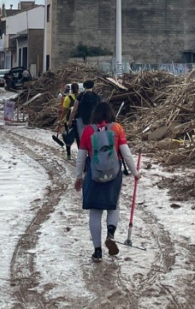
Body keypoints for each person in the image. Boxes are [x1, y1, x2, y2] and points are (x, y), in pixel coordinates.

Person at [74, 102, 141, 262]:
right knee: (113, 206)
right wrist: (135, 173)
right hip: (114, 173)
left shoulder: (88, 130)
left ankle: (97, 251)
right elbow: (126, 154)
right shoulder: (117, 128)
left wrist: (78, 177)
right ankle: (111, 234)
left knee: (95, 212)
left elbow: (81, 157)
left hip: (94, 174)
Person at [55, 83, 79, 159]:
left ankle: (68, 154)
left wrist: (60, 120)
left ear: (71, 89)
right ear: (78, 89)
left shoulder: (68, 98)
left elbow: (64, 111)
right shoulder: (81, 97)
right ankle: (80, 154)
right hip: (79, 120)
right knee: (78, 138)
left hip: (69, 121)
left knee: (69, 137)